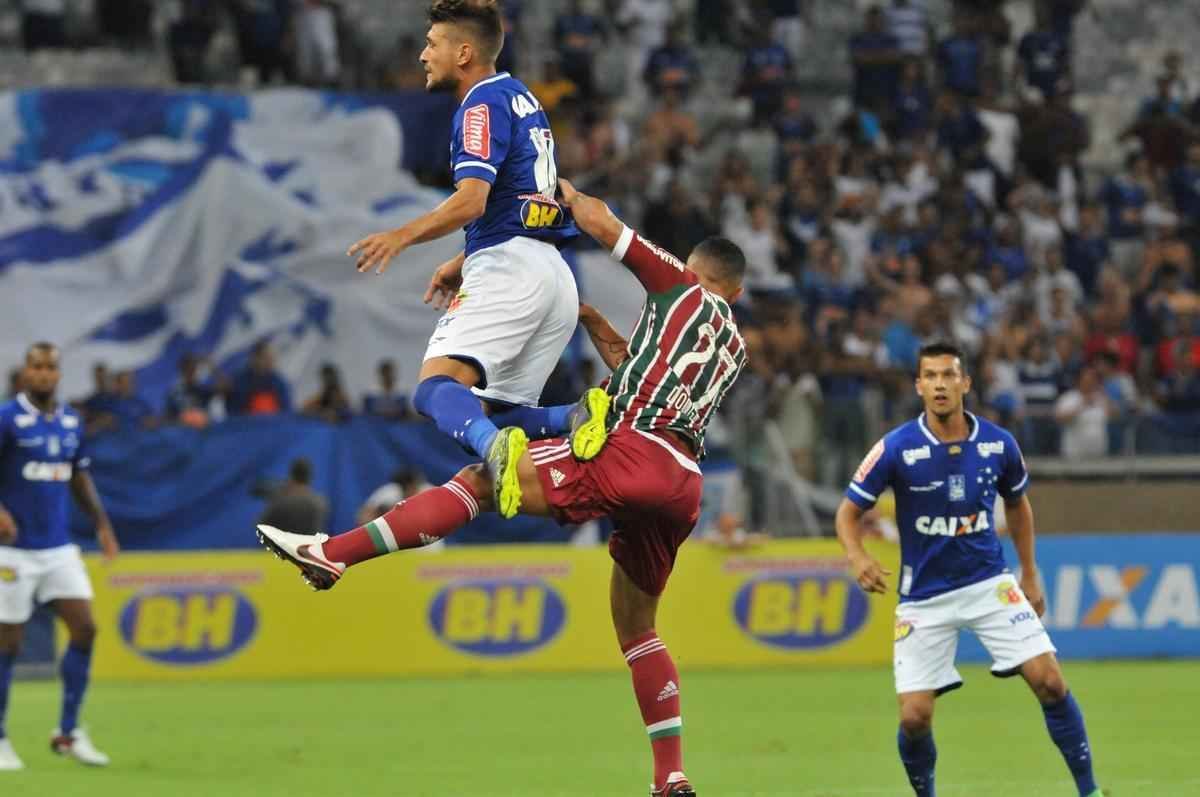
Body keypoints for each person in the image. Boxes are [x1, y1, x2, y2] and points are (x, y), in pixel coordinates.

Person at [258, 178, 749, 797]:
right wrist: (589, 317)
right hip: (681, 482)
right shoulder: (733, 345)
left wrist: (564, 193)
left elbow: (600, 220)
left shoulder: (679, 288)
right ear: (739, 290)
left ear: (698, 272)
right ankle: (671, 775)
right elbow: (645, 370)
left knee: (480, 479)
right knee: (639, 630)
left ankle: (333, 555)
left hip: (629, 451)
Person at [834, 342, 1102, 797]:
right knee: (914, 717)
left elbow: (1018, 506)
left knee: (1051, 682)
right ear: (919, 386)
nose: (940, 385)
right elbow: (847, 512)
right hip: (923, 598)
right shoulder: (896, 447)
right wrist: (857, 555)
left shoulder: (999, 443)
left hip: (989, 584)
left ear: (965, 383)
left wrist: (1030, 573)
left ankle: (1090, 791)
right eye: (931, 377)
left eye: (948, 375)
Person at [347, 0, 582, 503]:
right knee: (490, 408)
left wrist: (400, 236)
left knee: (433, 391)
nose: (423, 54)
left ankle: (498, 453)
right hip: (553, 274)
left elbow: (473, 199)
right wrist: (463, 258)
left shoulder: (478, 104)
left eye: (433, 44)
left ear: (465, 52)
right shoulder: (523, 97)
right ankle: (579, 416)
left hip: (511, 271)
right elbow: (524, 194)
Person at [0, 343, 118, 770]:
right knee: (7, 646)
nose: (45, 374)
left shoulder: (70, 420)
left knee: (85, 628)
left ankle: (69, 732)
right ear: (25, 373)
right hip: (11, 554)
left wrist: (102, 525)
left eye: (51, 367)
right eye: (37, 367)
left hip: (57, 549)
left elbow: (77, 475)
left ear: (59, 373)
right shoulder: (7, 418)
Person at [258, 459, 329, 536]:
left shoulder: (281, 501)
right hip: (311, 546)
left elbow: (262, 526)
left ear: (291, 476)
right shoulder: (320, 502)